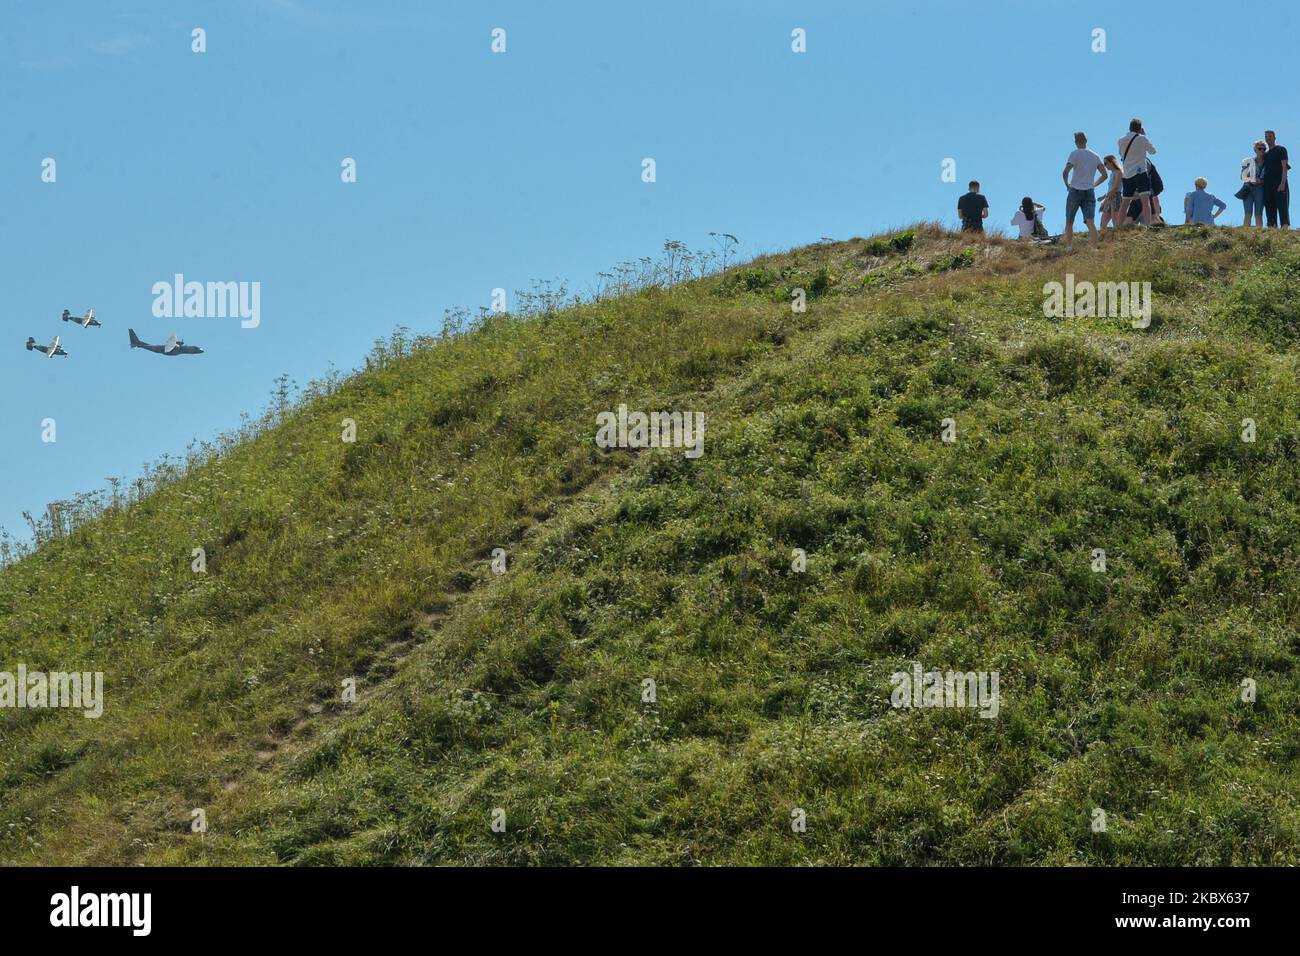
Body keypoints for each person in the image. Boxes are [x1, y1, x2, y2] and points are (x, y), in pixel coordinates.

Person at [1061, 131, 1108, 248]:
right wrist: (1094, 184)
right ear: (1086, 141)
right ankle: (1094, 247)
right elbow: (1105, 174)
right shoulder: (1095, 156)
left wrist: (1067, 185)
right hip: (1089, 190)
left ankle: (1069, 246)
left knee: (1069, 221)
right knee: (1090, 221)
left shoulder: (1075, 154)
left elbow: (1065, 172)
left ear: (1076, 142)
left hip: (1075, 190)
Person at [1118, 118, 1157, 226]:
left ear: (1129, 127)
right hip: (1140, 173)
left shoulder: (1121, 140)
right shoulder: (1142, 139)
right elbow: (1153, 151)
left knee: (1125, 202)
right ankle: (1147, 225)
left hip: (1127, 174)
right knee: (1145, 200)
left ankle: (1119, 226)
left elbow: (1121, 154)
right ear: (1140, 129)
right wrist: (1144, 135)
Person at [1262, 130, 1290, 228]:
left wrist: (1283, 183)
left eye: (1270, 136)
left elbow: (1285, 167)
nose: (1268, 138)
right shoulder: (1266, 154)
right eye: (1266, 137)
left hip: (1280, 183)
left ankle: (1285, 229)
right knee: (1269, 208)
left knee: (1282, 207)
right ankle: (1272, 230)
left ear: (1274, 138)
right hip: (1268, 185)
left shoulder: (1281, 149)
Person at [1240, 141, 1267, 227]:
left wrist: (1261, 181)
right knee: (1248, 213)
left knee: (1258, 214)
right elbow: (1242, 176)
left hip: (1261, 189)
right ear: (1255, 149)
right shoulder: (1249, 162)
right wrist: (1252, 179)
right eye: (1259, 148)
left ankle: (1258, 236)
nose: (1262, 150)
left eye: (1264, 148)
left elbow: (1270, 177)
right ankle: (1244, 235)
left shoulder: (1268, 163)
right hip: (1248, 188)